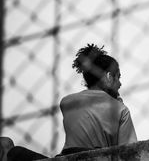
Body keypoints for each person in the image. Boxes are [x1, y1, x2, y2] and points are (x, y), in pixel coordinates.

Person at [8, 44, 137, 161]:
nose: (120, 84)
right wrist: (119, 102)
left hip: (66, 158)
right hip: (98, 158)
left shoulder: (67, 102)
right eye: (118, 77)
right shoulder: (120, 109)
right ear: (109, 77)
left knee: (9, 147)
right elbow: (130, 152)